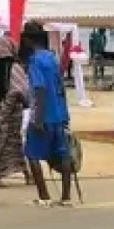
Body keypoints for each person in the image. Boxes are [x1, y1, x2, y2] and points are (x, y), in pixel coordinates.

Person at [22, 23, 75, 207]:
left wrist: (38, 118)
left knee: (32, 154)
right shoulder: (53, 58)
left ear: (28, 40)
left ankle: (44, 196)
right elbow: (60, 87)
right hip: (59, 113)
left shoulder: (35, 61)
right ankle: (66, 196)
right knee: (63, 155)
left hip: (44, 115)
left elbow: (40, 89)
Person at [0, 36, 31, 188]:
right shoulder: (15, 67)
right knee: (14, 141)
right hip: (13, 112)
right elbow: (23, 90)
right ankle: (24, 173)